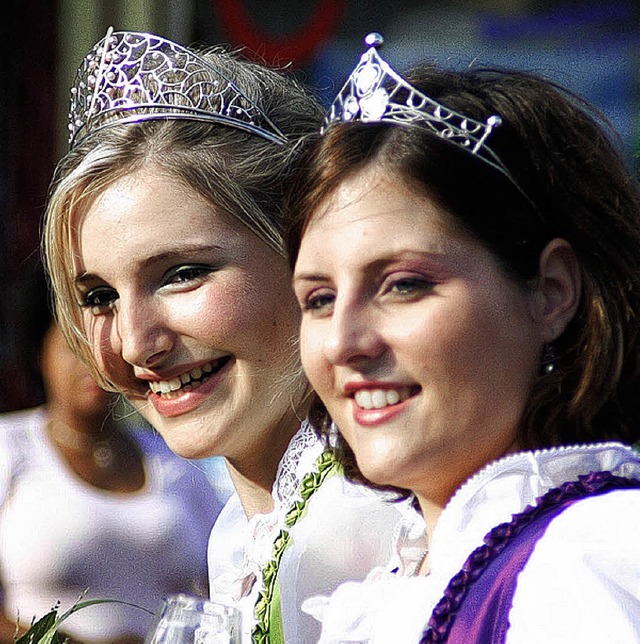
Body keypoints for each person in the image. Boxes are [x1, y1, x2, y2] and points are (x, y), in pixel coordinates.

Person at [41, 29, 403, 642]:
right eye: (99, 297)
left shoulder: (392, 529)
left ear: (307, 253)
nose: (134, 343)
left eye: (182, 274)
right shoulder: (240, 532)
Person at [285, 33, 640, 643]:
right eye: (319, 298)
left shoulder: (582, 559)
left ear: (551, 291)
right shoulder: (420, 578)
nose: (343, 341)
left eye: (403, 285)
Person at [0, 261, 221, 643]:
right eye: (74, 348)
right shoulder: (10, 449)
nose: (92, 364)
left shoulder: (174, 458)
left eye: (102, 347)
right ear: (39, 351)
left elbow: (222, 586)